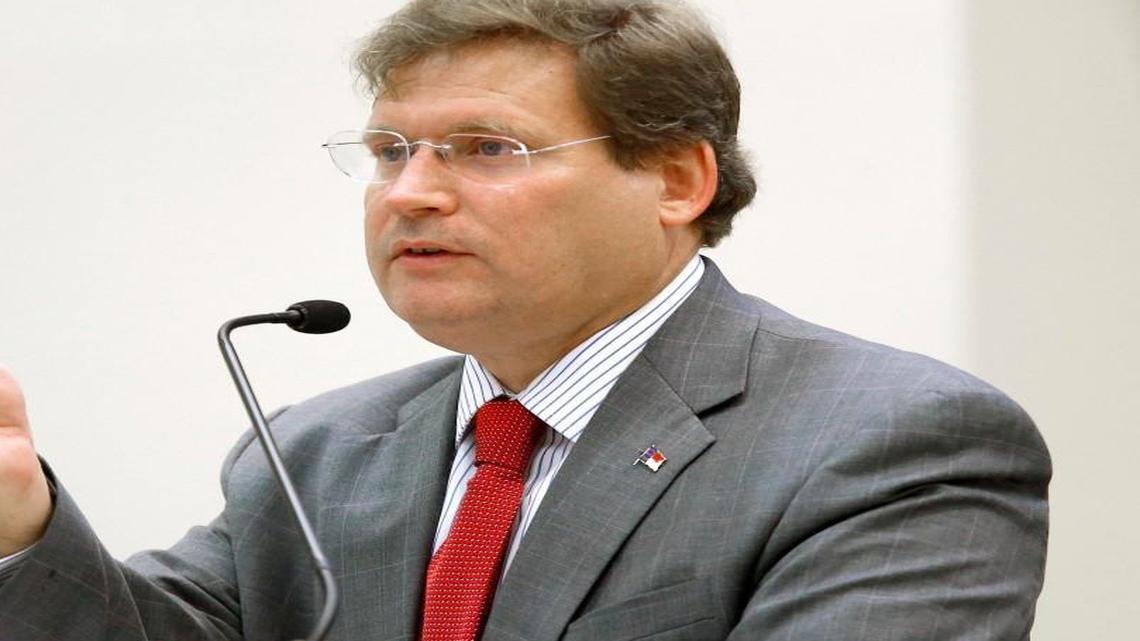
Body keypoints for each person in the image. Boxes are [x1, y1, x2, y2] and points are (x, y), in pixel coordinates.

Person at [0, 0, 1050, 639]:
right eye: (388, 151)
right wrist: (17, 527)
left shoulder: (891, 441)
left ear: (678, 178)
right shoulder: (314, 452)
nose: (410, 192)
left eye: (487, 148)